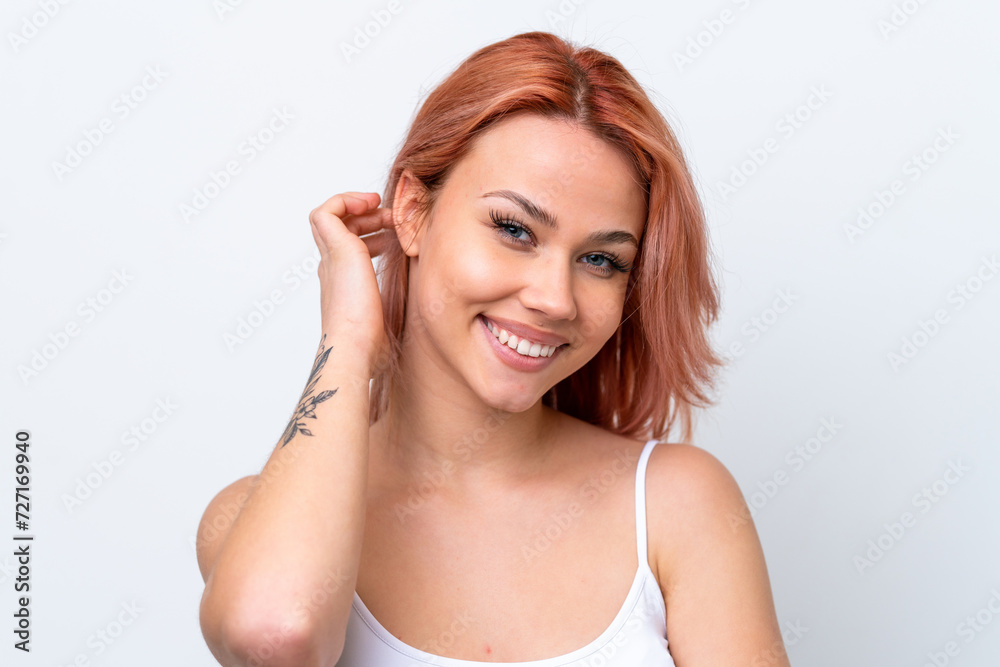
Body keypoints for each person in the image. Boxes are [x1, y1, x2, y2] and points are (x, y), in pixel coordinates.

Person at [195, 31, 790, 667]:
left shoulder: (678, 506)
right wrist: (346, 341)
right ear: (413, 210)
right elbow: (274, 634)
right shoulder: (248, 521)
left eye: (600, 259)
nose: (555, 298)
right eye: (514, 229)